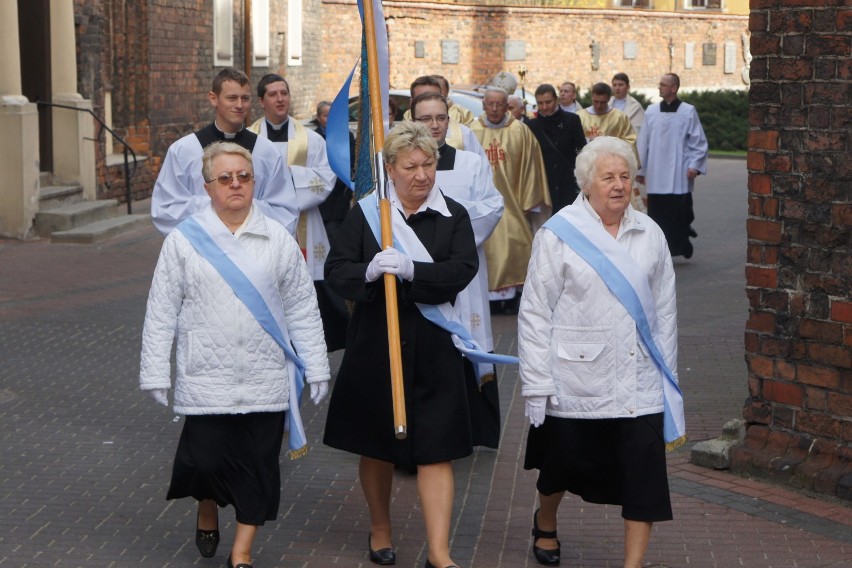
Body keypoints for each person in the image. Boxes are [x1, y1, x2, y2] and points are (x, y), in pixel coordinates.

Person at [140, 142, 331, 568]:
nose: (235, 185)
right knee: (204, 461)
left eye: (243, 177)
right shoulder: (183, 241)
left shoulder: (277, 238)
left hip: (265, 376)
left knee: (259, 467)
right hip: (206, 375)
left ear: (254, 182)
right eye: (225, 178)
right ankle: (207, 503)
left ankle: (241, 553)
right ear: (207, 187)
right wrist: (155, 372)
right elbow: (161, 309)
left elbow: (301, 306)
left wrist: (316, 365)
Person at [518, 136, 684, 568]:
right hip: (576, 381)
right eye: (608, 177)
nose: (618, 185)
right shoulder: (558, 235)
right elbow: (535, 313)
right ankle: (546, 521)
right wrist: (537, 383)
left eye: (625, 176)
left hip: (639, 381)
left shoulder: (650, 233)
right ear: (586, 184)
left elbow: (665, 312)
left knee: (644, 480)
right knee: (559, 467)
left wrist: (668, 378)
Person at [323, 122, 479, 568]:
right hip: (377, 345)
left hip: (434, 348)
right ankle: (380, 528)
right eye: (410, 166)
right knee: (377, 446)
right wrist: (368, 274)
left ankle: (440, 552)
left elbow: (461, 270)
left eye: (428, 164)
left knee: (437, 449)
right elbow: (337, 269)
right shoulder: (370, 214)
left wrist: (414, 271)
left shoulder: (455, 215)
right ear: (389, 169)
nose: (421, 175)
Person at [410, 91, 505, 447]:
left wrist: (453, 237)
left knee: (471, 331)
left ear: (449, 121)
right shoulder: (404, 165)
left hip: (464, 269)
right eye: (425, 119)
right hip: (422, 267)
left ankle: (475, 428)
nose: (434, 125)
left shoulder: (470, 163)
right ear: (413, 121)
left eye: (440, 118)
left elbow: (492, 207)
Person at [248, 74, 346, 351]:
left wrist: (287, 177)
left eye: (284, 93)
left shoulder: (311, 140)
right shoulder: (249, 140)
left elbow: (327, 177)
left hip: (305, 225)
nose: (280, 99)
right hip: (261, 222)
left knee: (307, 290)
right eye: (273, 94)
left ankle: (309, 347)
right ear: (261, 101)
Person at [151, 68, 299, 237]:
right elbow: (166, 208)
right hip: (204, 248)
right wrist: (221, 206)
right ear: (213, 99)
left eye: (245, 98)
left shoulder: (267, 152)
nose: (239, 105)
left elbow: (285, 209)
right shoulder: (184, 151)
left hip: (255, 248)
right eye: (232, 98)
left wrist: (241, 208)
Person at [470, 86, 550, 315]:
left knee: (517, 243)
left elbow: (532, 166)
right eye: (490, 104)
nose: (494, 108)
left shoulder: (520, 131)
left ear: (507, 106)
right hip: (481, 204)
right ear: (483, 105)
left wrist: (528, 203)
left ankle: (513, 299)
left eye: (499, 104)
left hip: (512, 205)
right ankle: (491, 301)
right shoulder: (472, 131)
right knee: (488, 249)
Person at [636, 73, 708, 259]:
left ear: (673, 88)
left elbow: (698, 141)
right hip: (656, 170)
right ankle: (661, 249)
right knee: (658, 213)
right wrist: (641, 170)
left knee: (680, 211)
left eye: (663, 85)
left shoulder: (687, 111)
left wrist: (695, 165)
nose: (659, 87)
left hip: (679, 171)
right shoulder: (651, 111)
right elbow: (643, 142)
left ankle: (682, 243)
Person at [529, 84, 586, 213]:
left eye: (548, 102)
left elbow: (581, 151)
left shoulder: (572, 120)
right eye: (540, 103)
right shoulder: (531, 125)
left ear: (556, 100)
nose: (544, 107)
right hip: (544, 185)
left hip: (568, 183)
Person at [405, 75, 487, 161]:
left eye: (434, 97)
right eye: (422, 98)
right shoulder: (398, 137)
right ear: (411, 102)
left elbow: (480, 168)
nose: (430, 103)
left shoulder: (464, 134)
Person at [579, 82, 637, 150]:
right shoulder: (580, 116)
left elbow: (630, 141)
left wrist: (606, 143)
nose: (598, 106)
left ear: (609, 99)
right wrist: (589, 141)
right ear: (592, 97)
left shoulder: (620, 117)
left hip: (612, 158)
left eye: (602, 102)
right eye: (596, 101)